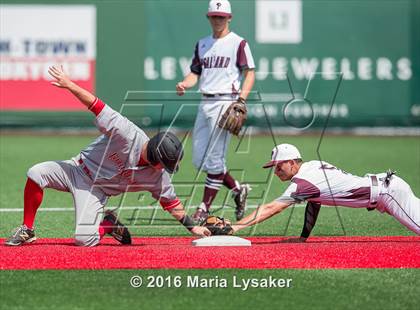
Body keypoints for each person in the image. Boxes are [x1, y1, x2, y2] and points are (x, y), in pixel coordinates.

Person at [5, 65, 210, 247]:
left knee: (84, 240)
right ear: (156, 157)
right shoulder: (126, 133)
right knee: (36, 173)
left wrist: (193, 228)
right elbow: (96, 105)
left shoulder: (157, 177)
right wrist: (69, 84)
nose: (165, 169)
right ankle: (27, 229)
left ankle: (108, 225)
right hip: (75, 169)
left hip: (96, 191)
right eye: (164, 164)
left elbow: (171, 203)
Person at [230, 143, 420, 237]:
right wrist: (304, 237)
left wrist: (237, 226)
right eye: (274, 167)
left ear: (291, 162)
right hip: (385, 187)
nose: (276, 171)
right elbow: (315, 202)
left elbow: (273, 208)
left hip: (388, 193)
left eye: (279, 166)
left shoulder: (304, 182)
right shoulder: (312, 166)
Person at [176, 0, 256, 223]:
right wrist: (184, 83)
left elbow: (250, 72)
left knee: (215, 159)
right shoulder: (202, 44)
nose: (218, 20)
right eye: (214, 16)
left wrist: (241, 100)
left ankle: (203, 208)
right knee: (200, 160)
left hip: (225, 102)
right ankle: (238, 189)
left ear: (229, 18)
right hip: (205, 102)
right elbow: (195, 73)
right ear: (208, 17)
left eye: (221, 16)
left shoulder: (238, 43)